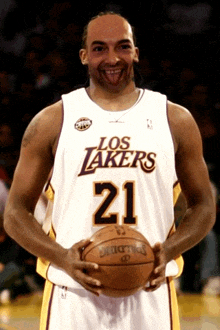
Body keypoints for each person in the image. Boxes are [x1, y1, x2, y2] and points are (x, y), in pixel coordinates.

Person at [3, 11, 215, 330]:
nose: (112, 57)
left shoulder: (175, 120)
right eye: (100, 48)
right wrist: (60, 256)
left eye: (123, 46)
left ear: (136, 52)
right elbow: (15, 212)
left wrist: (169, 250)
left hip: (150, 294)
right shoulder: (52, 121)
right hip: (73, 296)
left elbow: (203, 206)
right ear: (84, 56)